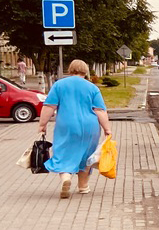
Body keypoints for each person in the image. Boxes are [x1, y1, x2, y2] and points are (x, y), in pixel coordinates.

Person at [37, 59, 112, 199]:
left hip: (67, 125)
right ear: (86, 71)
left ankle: (66, 177)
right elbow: (100, 110)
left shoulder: (59, 85)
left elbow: (49, 106)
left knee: (63, 152)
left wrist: (42, 125)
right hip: (90, 126)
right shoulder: (92, 88)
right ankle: (83, 187)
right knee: (87, 155)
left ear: (70, 70)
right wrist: (107, 128)